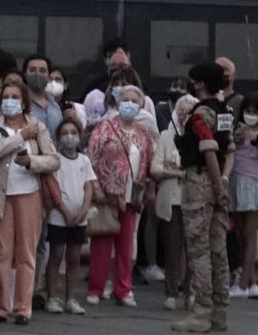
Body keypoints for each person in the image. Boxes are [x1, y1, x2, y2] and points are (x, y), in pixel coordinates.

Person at [0, 78, 60, 324]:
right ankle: (0, 307)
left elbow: (53, 159)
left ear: (24, 101)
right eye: (6, 97)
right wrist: (20, 137)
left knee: (26, 253)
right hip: (0, 195)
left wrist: (31, 162)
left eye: (15, 97)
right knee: (2, 252)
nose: (10, 102)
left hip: (29, 193)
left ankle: (22, 308)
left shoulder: (38, 128)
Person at [172, 63, 233, 333]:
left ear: (199, 84)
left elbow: (208, 149)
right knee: (218, 249)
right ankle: (220, 310)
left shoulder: (200, 114)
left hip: (198, 182)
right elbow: (229, 150)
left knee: (198, 249)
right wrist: (222, 182)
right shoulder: (225, 112)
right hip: (218, 180)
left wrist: (215, 185)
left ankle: (201, 309)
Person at [84, 84, 154, 306]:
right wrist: (95, 188)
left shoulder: (143, 133)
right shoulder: (104, 128)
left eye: (135, 100)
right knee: (102, 242)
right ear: (118, 102)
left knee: (126, 244)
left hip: (131, 195)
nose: (130, 104)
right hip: (107, 194)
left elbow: (149, 161)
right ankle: (96, 288)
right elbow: (91, 158)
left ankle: (123, 288)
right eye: (126, 100)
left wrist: (148, 187)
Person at [45, 117, 96, 314]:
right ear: (58, 137)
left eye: (73, 133)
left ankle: (71, 298)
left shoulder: (84, 160)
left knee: (74, 257)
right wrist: (65, 211)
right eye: (65, 133)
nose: (69, 137)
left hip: (79, 217)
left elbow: (89, 186)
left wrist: (84, 210)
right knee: (57, 255)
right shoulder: (55, 160)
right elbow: (54, 189)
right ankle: (52, 297)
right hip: (59, 216)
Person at [227, 93, 258, 300]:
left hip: (254, 184)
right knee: (240, 233)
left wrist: (255, 141)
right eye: (247, 111)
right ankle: (252, 281)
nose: (250, 115)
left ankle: (243, 283)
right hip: (237, 182)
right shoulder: (237, 130)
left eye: (255, 112)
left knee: (250, 232)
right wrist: (236, 140)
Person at [151, 95, 193, 310]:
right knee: (173, 250)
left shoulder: (197, 137)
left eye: (189, 110)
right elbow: (155, 168)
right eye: (181, 110)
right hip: (172, 200)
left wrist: (176, 170)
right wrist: (177, 172)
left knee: (193, 250)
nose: (184, 114)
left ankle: (190, 291)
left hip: (193, 200)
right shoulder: (166, 136)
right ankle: (170, 292)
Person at [22, 54, 64, 140]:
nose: (37, 74)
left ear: (48, 76)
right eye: (32, 70)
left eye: (42, 71)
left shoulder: (55, 107)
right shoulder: (20, 105)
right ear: (25, 74)